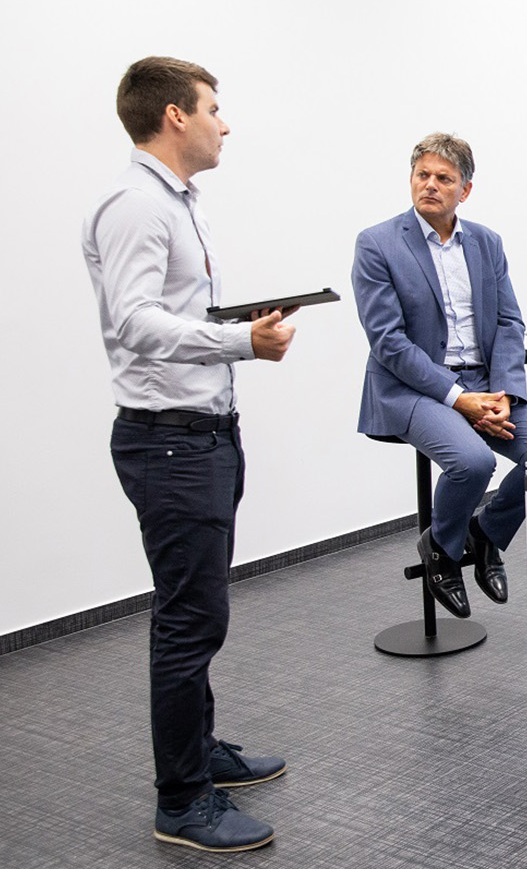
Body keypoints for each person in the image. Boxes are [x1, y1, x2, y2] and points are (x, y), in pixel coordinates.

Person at [83, 57, 294, 852]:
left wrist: (233, 326)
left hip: (200, 436)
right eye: (213, 108)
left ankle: (199, 753)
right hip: (170, 444)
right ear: (175, 115)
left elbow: (168, 313)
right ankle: (181, 801)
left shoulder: (173, 203)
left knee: (199, 612)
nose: (224, 124)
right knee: (188, 619)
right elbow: (134, 321)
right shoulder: (137, 205)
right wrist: (239, 341)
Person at [352, 133, 527, 619]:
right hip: (412, 388)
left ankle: (486, 532)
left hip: (486, 382)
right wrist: (458, 399)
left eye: (444, 179)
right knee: (473, 462)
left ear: (465, 190)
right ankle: (443, 550)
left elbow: (509, 323)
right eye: (422, 175)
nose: (430, 185)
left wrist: (504, 393)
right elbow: (389, 343)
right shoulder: (377, 243)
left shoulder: (486, 243)